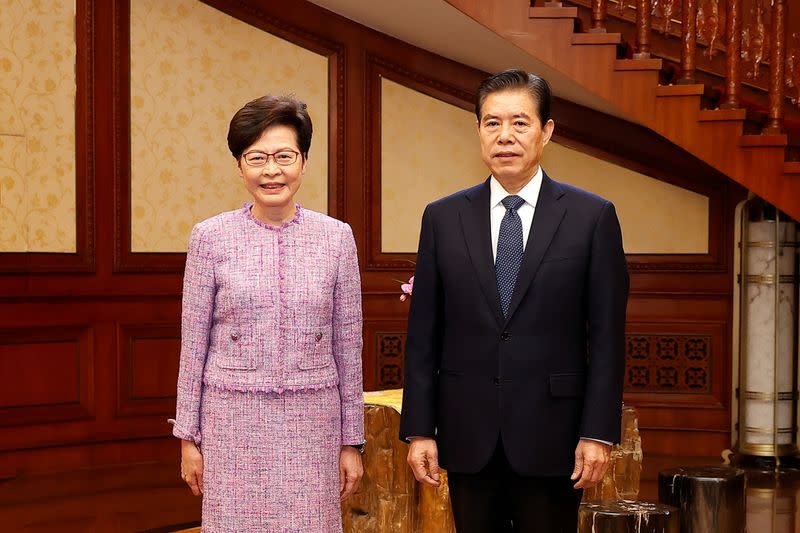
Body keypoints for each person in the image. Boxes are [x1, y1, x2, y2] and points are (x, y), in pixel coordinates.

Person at [399, 69, 629, 532]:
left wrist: (598, 433)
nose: (505, 136)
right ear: (479, 131)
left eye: (520, 123)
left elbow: (607, 340)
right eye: (492, 123)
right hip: (468, 433)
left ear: (546, 131)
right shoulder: (442, 218)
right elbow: (423, 334)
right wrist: (420, 429)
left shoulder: (591, 217)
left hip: (555, 434)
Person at [170, 94, 365, 532]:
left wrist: (351, 441)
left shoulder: (336, 238)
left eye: (283, 156)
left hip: (313, 425)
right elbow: (193, 344)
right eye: (256, 157)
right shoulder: (210, 238)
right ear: (240, 166)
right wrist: (188, 437)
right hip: (232, 424)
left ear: (304, 160)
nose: (271, 170)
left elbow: (349, 347)